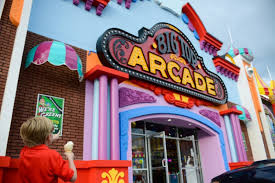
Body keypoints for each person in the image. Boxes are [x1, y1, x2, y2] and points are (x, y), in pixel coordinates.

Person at [18, 116, 77, 183]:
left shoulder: (23, 153)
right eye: (51, 132)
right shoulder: (52, 156)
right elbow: (73, 177)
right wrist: (70, 158)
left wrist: (50, 138)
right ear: (48, 137)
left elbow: (38, 149)